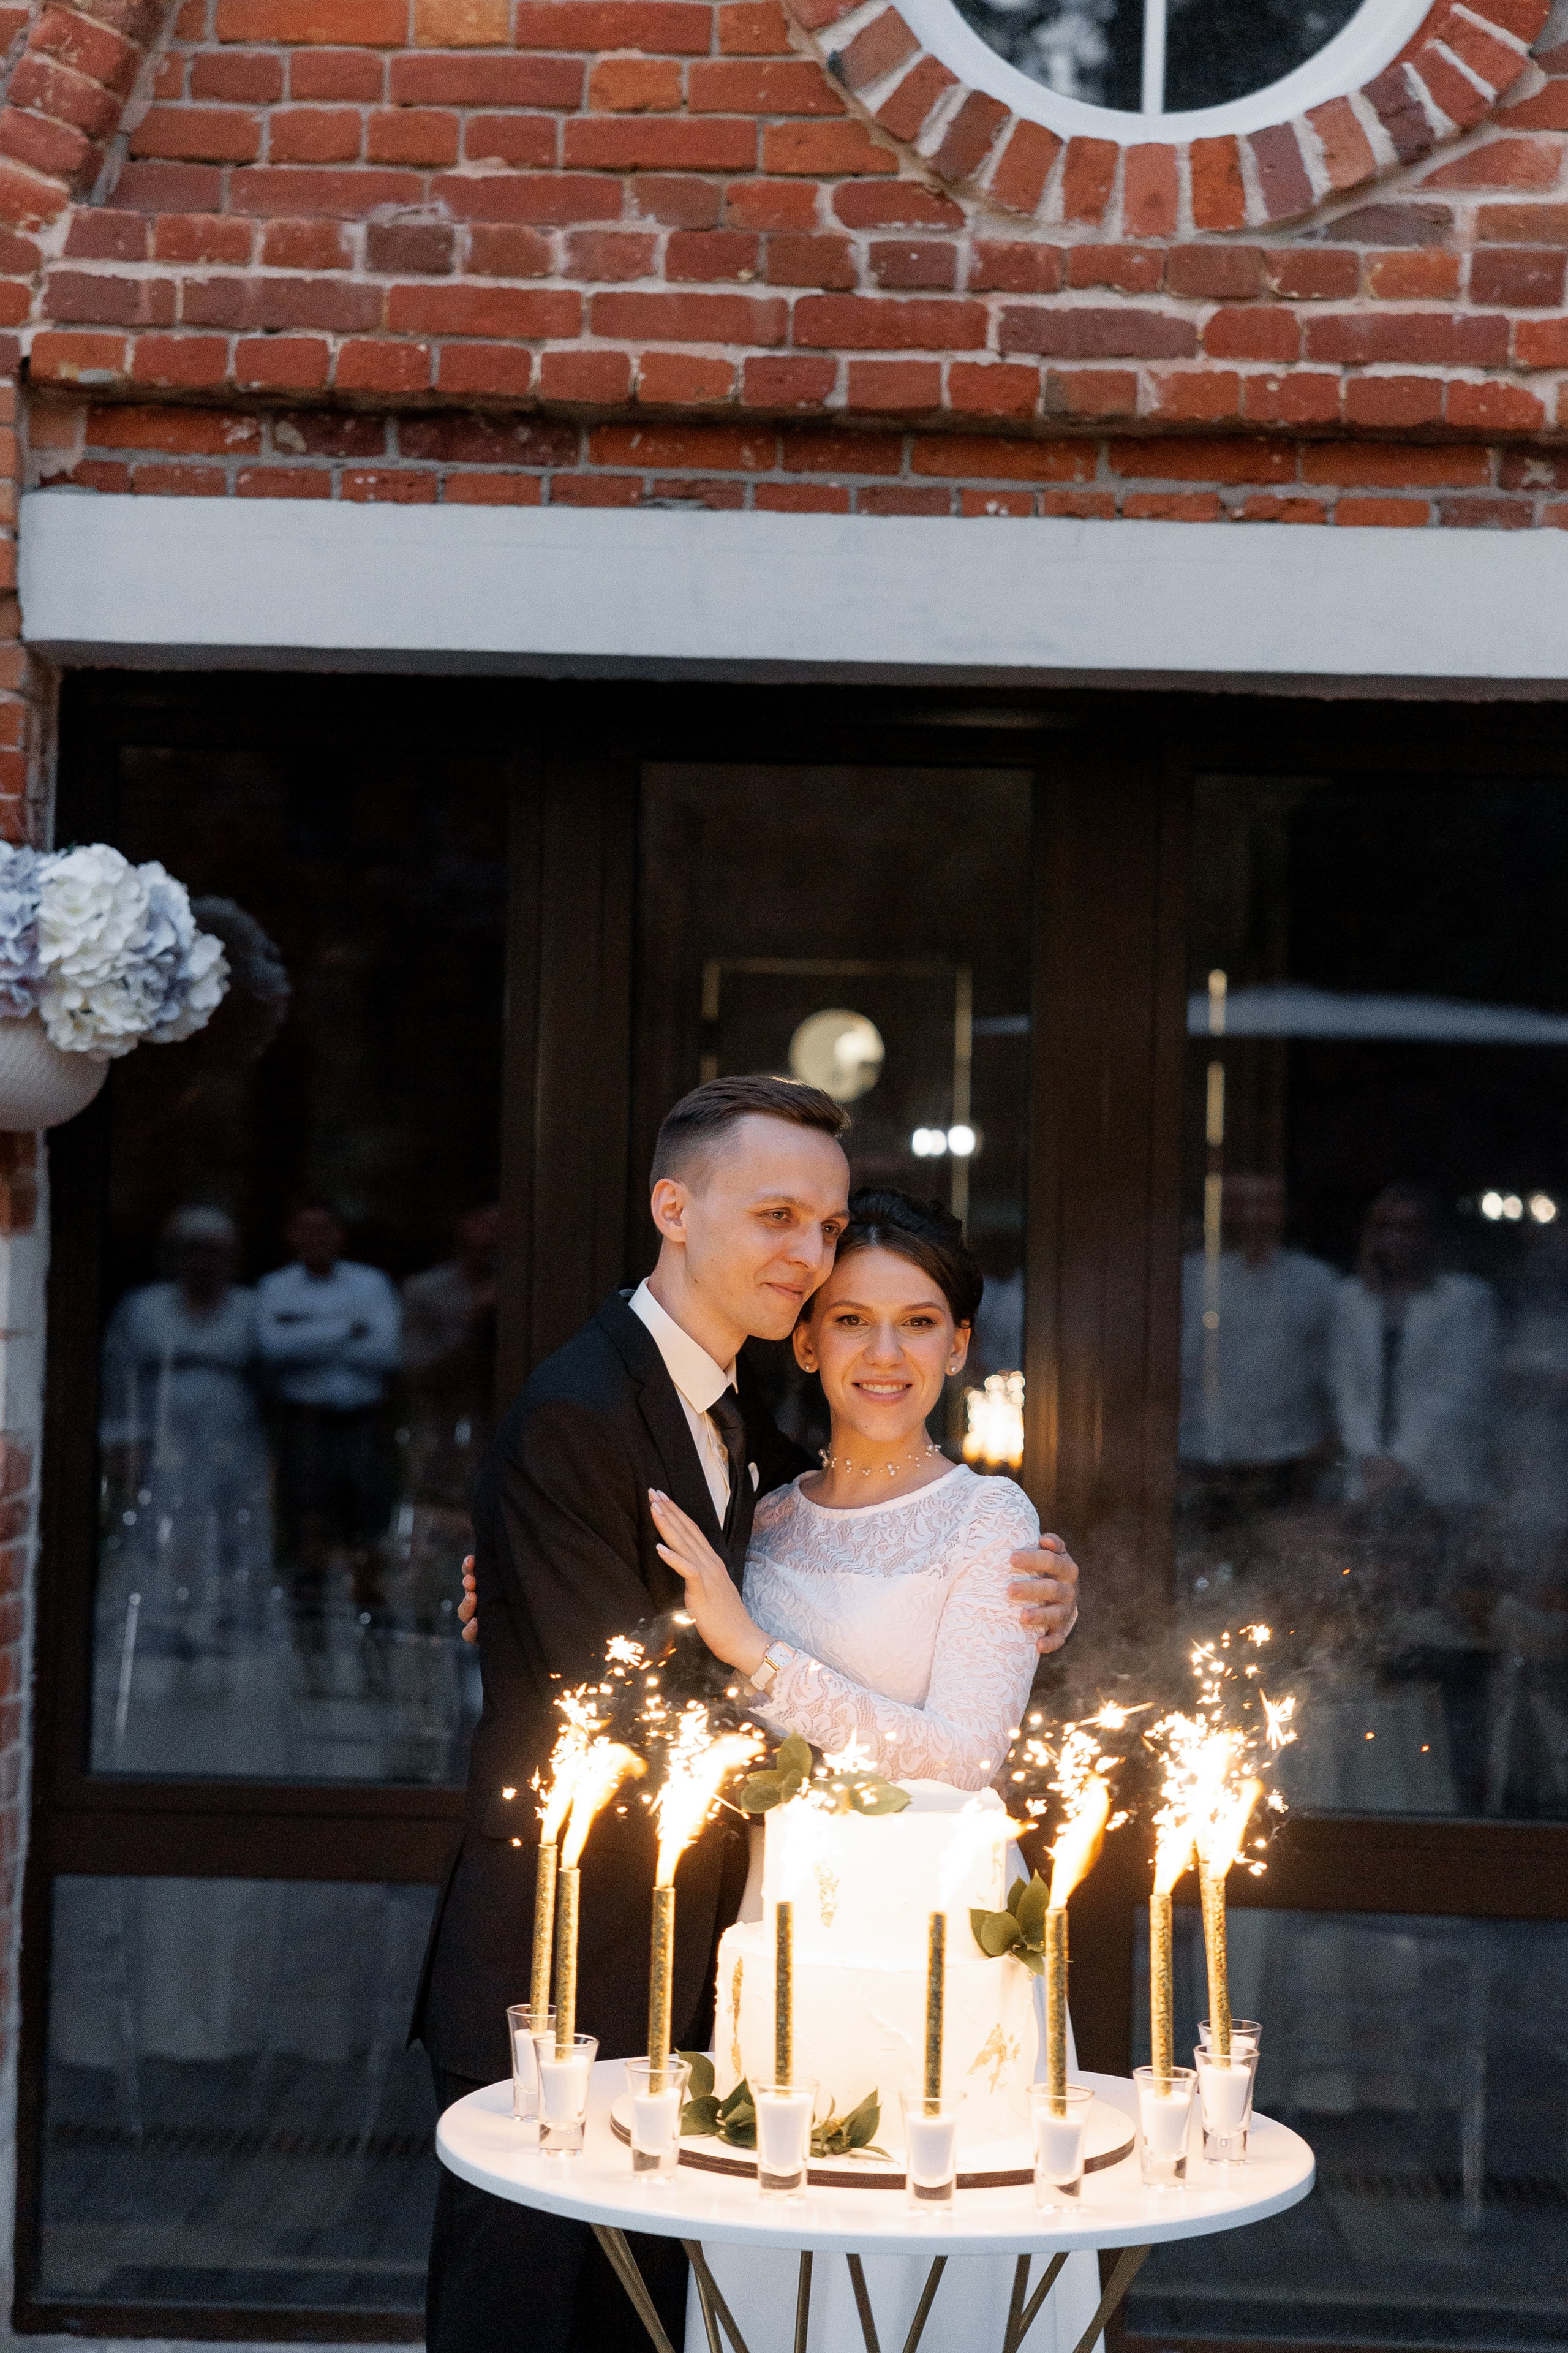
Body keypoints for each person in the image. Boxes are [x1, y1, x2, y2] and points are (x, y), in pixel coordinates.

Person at [413, 1076, 1082, 2353]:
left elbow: (879, 1570)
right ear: (674, 1207)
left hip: (765, 1960)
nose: (804, 1253)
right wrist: (524, 1604)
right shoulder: (580, 1411)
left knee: (696, 2318)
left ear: (955, 1344)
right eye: (778, 1217)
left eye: (822, 1226)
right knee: (524, 2315)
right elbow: (615, 1697)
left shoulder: (751, 1439)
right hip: (570, 1956)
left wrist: (1038, 1593)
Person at [649, 1187, 1099, 2353]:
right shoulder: (762, 1514)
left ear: (959, 1344)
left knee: (937, 2229)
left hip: (944, 1921)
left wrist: (755, 1651)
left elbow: (961, 1755)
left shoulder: (991, 1521)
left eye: (917, 1322)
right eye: (852, 1320)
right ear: (806, 1338)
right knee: (786, 2238)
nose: (883, 1353)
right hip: (790, 1906)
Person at [1329, 1182, 1499, 1812]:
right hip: (1370, 1488)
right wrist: (1369, 1457)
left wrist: (1402, 1461)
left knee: (1447, 1631)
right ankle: (1385, 1788)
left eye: (1409, 1227)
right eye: (1385, 1226)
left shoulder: (1465, 1302)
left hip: (1442, 1488)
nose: (1395, 1240)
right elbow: (1346, 1384)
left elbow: (1459, 1390)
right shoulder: (1350, 1300)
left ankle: (1457, 1797)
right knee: (1375, 1631)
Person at [98, 1206, 272, 1761]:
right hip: (163, 1440)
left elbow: (273, 1380)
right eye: (194, 1249)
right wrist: (123, 1439)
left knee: (232, 1539)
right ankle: (156, 1644)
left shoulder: (251, 1309)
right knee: (157, 1534)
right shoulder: (145, 1308)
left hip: (232, 1442)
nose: (205, 1261)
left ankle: (223, 1649)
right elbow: (117, 1373)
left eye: (216, 1250)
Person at [257, 1201, 401, 1619]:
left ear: (341, 1234)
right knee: (307, 1526)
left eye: (326, 1228)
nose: (317, 1238)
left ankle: (372, 1625)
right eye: (307, 1228)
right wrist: (346, 1328)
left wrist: (304, 1328)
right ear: (291, 1235)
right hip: (306, 1422)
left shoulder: (371, 1284)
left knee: (370, 1528)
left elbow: (386, 1351)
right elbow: (273, 1347)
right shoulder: (275, 1287)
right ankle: (309, 1637)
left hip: (362, 1422)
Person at [1178, 1173, 1337, 1528]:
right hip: (1199, 1465)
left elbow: (1340, 1376)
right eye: (1239, 1204)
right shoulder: (1185, 1279)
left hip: (1290, 1467)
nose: (1252, 1215)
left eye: (1264, 1204)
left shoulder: (1317, 1283)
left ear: (1282, 1212)